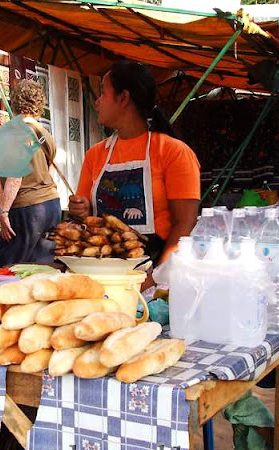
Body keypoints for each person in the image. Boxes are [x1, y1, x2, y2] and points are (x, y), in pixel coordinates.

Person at [69, 61, 200, 290]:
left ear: (123, 98)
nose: (97, 101)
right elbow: (85, 219)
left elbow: (184, 224)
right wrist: (82, 209)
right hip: (104, 270)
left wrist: (155, 278)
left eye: (103, 92)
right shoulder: (95, 155)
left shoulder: (173, 152)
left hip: (158, 274)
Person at [0, 79, 61, 268]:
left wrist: (4, 212)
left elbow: (15, 177)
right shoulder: (45, 135)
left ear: (14, 103)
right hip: (51, 205)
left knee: (9, 268)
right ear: (39, 106)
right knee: (43, 266)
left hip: (28, 208)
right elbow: (50, 172)